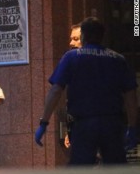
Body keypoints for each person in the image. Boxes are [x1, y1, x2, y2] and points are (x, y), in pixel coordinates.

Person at [34, 17, 138, 166]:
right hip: (112, 123)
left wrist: (44, 123)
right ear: (102, 36)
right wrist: (132, 127)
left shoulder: (71, 57)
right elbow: (131, 95)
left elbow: (55, 90)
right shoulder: (118, 59)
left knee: (80, 171)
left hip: (84, 125)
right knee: (117, 171)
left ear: (83, 36)